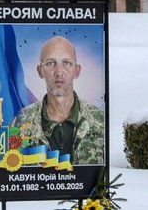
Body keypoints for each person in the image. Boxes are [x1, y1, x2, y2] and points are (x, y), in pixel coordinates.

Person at [14, 35, 106, 164]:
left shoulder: (100, 121)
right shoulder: (21, 121)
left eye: (67, 63)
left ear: (77, 71)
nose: (59, 72)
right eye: (51, 63)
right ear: (40, 71)